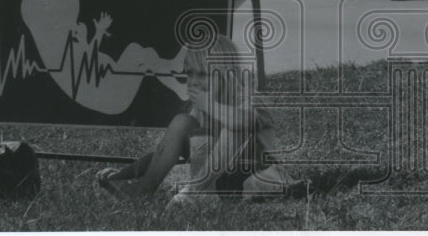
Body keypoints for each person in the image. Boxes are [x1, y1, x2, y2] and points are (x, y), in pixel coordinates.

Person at [96, 33, 297, 203]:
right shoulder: (201, 109)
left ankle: (193, 192)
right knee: (181, 123)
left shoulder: (246, 99)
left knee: (233, 126)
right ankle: (142, 190)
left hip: (258, 176)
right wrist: (123, 174)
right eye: (189, 74)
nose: (193, 81)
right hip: (220, 183)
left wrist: (209, 104)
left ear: (226, 74)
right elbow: (163, 151)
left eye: (202, 74)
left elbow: (243, 123)